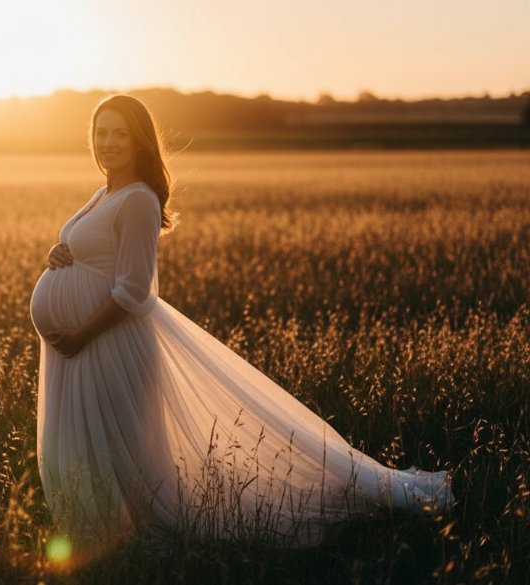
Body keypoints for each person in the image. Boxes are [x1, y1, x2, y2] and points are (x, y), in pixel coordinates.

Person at [28, 94, 454, 553]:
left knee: (123, 448)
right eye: (100, 133)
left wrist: (79, 333)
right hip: (78, 346)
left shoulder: (138, 200)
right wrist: (59, 255)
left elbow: (133, 290)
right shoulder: (105, 193)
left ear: (140, 142)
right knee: (96, 448)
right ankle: (105, 534)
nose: (107, 142)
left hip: (107, 343)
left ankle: (128, 541)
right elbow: (93, 256)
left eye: (119, 133)